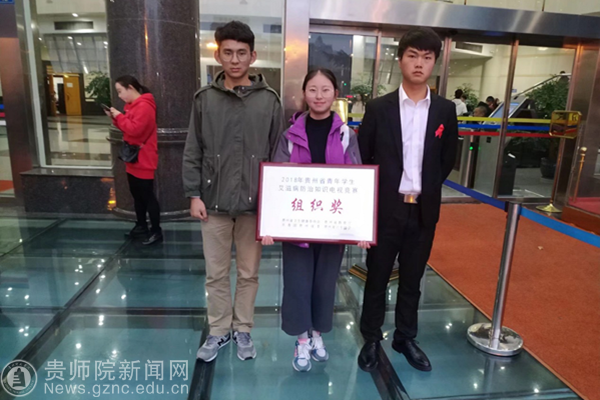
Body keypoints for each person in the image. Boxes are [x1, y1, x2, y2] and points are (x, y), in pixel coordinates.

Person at [356, 27, 458, 373]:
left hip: (423, 210)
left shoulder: (444, 110)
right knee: (377, 277)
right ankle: (371, 338)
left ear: (434, 63)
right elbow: (365, 156)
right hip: (386, 209)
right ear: (400, 60)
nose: (419, 63)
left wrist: (426, 186)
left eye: (427, 57)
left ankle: (405, 337)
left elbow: (447, 159)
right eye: (412, 55)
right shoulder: (378, 108)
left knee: (413, 280)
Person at [182, 20, 285, 363]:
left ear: (253, 56)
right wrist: (193, 194)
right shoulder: (204, 99)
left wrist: (272, 206)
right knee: (215, 273)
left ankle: (243, 328)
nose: (235, 59)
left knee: (248, 273)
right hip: (212, 203)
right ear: (218, 55)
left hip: (255, 205)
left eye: (242, 53)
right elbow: (193, 149)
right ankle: (218, 330)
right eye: (228, 52)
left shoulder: (269, 101)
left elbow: (278, 154)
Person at [262, 68, 364, 372]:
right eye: (313, 90)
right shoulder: (289, 135)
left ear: (335, 94)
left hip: (333, 227)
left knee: (324, 283)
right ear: (304, 94)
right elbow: (277, 181)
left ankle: (317, 334)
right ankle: (301, 340)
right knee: (297, 284)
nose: (319, 96)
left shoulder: (346, 135)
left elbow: (358, 181)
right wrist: (269, 224)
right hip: (297, 229)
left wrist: (361, 227)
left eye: (325, 90)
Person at [106, 75, 162, 245]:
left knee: (147, 196)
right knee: (137, 195)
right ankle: (141, 226)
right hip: (134, 158)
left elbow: (135, 130)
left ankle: (156, 231)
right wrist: (115, 118)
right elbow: (128, 129)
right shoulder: (133, 106)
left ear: (131, 87)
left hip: (143, 159)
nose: (120, 96)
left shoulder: (144, 106)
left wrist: (119, 117)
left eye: (120, 91)